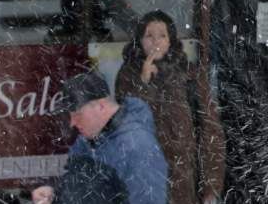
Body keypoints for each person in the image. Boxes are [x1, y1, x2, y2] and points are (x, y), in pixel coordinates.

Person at [115, 10, 226, 204]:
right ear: (139, 40)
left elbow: (210, 132)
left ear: (171, 40)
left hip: (182, 181)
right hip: (142, 180)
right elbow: (126, 126)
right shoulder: (127, 77)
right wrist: (143, 84)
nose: (155, 41)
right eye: (149, 35)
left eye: (162, 35)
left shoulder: (189, 76)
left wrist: (210, 185)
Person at [31, 71, 168, 204]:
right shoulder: (86, 140)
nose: (72, 123)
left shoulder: (138, 147)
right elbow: (76, 187)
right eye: (71, 116)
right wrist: (53, 193)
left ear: (101, 106)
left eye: (78, 115)